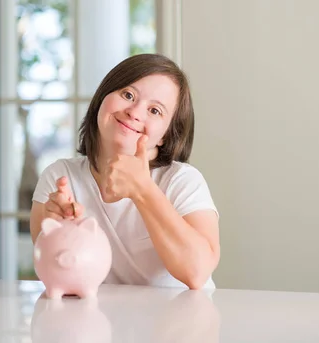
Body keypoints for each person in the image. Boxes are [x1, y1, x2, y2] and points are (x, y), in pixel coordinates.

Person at [29, 53, 220, 290]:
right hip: (99, 322)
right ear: (102, 98)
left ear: (166, 135)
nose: (135, 112)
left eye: (155, 110)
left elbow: (197, 273)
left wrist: (143, 190)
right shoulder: (60, 176)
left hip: (180, 323)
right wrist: (57, 228)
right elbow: (53, 277)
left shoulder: (183, 181)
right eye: (128, 95)